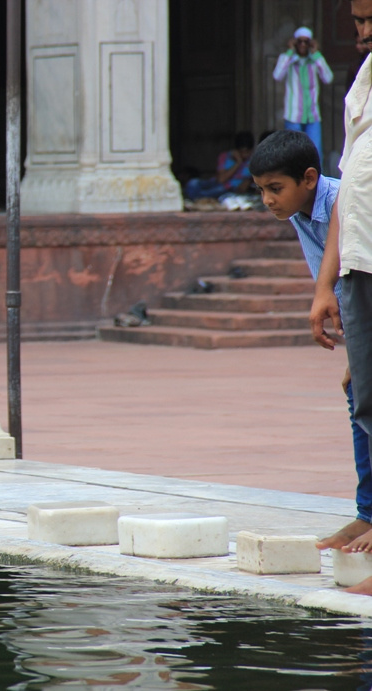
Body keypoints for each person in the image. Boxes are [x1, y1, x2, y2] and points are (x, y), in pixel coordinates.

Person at [250, 130, 372, 554]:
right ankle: (367, 513)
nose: (267, 199)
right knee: (360, 403)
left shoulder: (346, 198)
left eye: (275, 188)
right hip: (361, 321)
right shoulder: (302, 214)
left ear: (308, 178)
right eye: (261, 190)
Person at [309, 0, 372, 595]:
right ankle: (371, 512)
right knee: (365, 394)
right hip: (359, 262)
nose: (364, 33)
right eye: (357, 22)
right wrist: (327, 284)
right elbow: (350, 191)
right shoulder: (361, 84)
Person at [273, 26, 333, 161]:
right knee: (294, 153)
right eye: (299, 41)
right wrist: (290, 51)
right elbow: (277, 75)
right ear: (295, 42)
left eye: (306, 42)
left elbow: (328, 78)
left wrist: (316, 53)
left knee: (315, 152)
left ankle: (316, 180)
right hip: (293, 116)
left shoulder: (315, 61)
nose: (303, 45)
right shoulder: (288, 59)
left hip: (313, 116)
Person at [182, 131, 255, 201]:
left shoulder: (252, 161)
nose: (244, 155)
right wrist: (238, 163)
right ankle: (198, 198)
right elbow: (221, 179)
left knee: (219, 190)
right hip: (215, 184)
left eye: (247, 152)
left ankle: (198, 199)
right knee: (193, 183)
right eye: (241, 152)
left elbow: (245, 187)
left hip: (229, 190)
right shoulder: (225, 156)